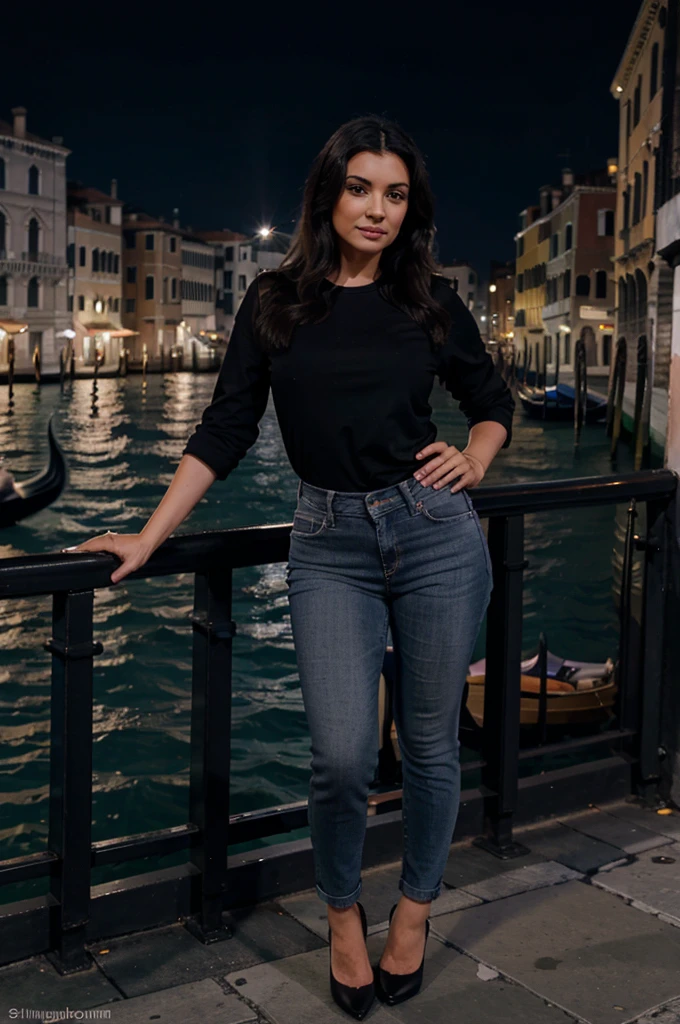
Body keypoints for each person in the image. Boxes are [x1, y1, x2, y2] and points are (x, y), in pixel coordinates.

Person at [65, 114, 514, 1018]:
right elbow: (225, 428)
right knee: (343, 757)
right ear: (328, 194)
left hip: (435, 535)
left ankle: (414, 912)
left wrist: (478, 456)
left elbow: (490, 399)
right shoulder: (275, 300)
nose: (377, 210)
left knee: (429, 748)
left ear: (408, 206)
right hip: (328, 546)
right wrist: (149, 537)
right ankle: (344, 915)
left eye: (395, 194)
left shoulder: (428, 298)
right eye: (361, 189)